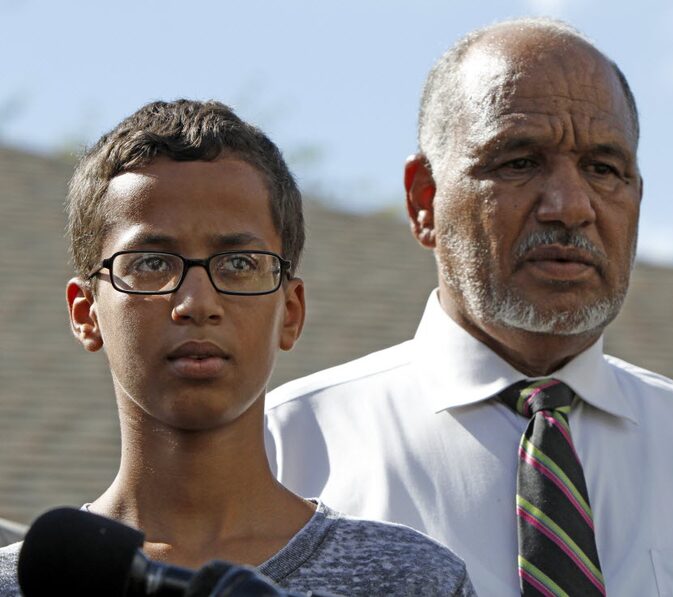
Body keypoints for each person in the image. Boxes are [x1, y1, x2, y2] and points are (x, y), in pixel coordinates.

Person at [265, 18, 673, 596]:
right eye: (519, 163)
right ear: (424, 200)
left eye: (604, 169)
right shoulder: (283, 456)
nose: (569, 206)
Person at [0, 100, 475, 597]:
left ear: (290, 313)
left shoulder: (410, 579)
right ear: (85, 313)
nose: (196, 302)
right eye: (151, 263)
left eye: (240, 264)